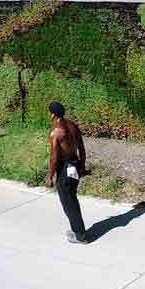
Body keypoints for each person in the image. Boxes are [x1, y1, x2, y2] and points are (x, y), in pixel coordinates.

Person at [44, 101, 90, 244]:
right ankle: (77, 229)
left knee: (68, 202)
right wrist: (81, 166)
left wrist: (49, 176)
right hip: (75, 164)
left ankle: (80, 235)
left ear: (52, 114)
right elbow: (81, 149)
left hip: (64, 168)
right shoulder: (72, 126)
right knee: (72, 198)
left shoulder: (55, 133)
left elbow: (54, 157)